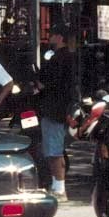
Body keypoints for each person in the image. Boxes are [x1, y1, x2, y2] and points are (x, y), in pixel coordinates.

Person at [36, 24, 78, 201]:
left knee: (54, 150)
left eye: (52, 35)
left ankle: (59, 188)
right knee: (55, 148)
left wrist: (40, 84)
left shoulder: (58, 59)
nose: (49, 37)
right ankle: (56, 185)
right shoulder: (69, 58)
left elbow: (51, 83)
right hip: (61, 108)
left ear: (59, 37)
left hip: (54, 108)